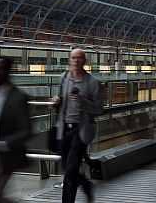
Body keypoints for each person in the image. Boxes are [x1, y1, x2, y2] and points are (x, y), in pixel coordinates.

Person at [53, 48, 103, 203]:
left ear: (84, 61)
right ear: (69, 60)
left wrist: (82, 100)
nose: (76, 61)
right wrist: (56, 101)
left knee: (71, 170)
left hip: (81, 131)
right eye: (73, 58)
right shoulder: (63, 78)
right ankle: (86, 185)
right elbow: (59, 99)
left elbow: (99, 109)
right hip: (63, 128)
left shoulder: (93, 83)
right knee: (67, 168)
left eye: (79, 58)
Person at [0, 57, 31, 201]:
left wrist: (3, 144)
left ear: (7, 71)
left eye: (0, 69)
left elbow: (26, 130)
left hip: (6, 156)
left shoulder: (19, 97)